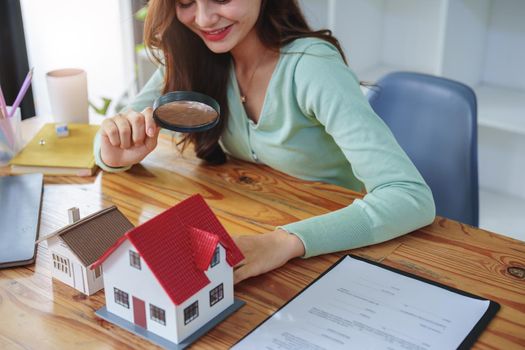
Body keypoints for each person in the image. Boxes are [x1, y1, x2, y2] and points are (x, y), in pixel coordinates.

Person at [94, 0, 435, 283]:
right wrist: (113, 151)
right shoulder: (192, 54)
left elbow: (410, 197)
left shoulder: (311, 67)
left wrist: (281, 243)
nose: (202, 18)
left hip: (342, 246)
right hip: (257, 225)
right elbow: (119, 129)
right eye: (185, 2)